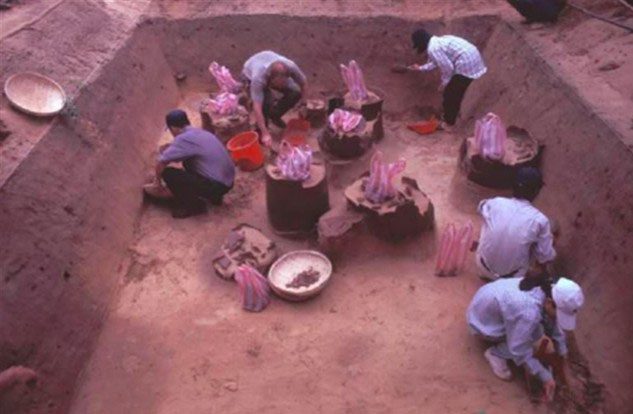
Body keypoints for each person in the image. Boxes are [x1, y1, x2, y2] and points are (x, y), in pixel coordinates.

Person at [467, 275, 584, 401]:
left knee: (536, 329)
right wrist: (545, 377)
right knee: (534, 335)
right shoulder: (528, 312)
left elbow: (554, 324)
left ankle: (504, 347)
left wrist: (563, 355)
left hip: (487, 303)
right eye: (560, 314)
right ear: (550, 302)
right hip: (482, 325)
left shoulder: (544, 287)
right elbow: (519, 349)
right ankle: (495, 354)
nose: (558, 318)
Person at [144, 110, 235, 218]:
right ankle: (215, 198)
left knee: (168, 173)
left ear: (173, 128)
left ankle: (195, 207)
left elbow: (161, 163)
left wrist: (157, 182)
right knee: (189, 163)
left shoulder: (183, 139)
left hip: (217, 186)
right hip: (228, 181)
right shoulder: (200, 132)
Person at [476, 167, 556, 280]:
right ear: (536, 191)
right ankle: (541, 278)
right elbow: (546, 257)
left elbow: (480, 207)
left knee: (489, 219)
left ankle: (490, 263)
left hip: (482, 267)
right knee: (550, 230)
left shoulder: (496, 202)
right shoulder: (540, 220)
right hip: (511, 279)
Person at [408, 29, 487, 130]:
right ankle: (450, 114)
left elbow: (448, 68)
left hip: (467, 64)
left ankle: (449, 123)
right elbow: (437, 61)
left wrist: (444, 84)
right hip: (473, 58)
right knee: (453, 89)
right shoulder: (436, 42)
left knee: (450, 94)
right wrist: (420, 68)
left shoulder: (433, 49)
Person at [242, 50, 307, 146]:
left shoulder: (291, 67)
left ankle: (275, 115)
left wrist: (303, 104)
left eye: (283, 83)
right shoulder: (258, 79)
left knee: (295, 91)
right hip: (249, 73)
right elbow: (257, 107)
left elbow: (304, 83)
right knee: (266, 101)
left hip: (268, 65)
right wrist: (265, 133)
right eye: (278, 84)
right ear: (270, 79)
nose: (280, 87)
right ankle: (261, 130)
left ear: (288, 75)